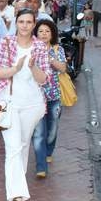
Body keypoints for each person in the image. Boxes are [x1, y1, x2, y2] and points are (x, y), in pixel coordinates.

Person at [0, 9, 49, 201]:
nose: (24, 25)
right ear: (16, 23)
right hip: (8, 101)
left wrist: (33, 67)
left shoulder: (40, 46)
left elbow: (44, 79)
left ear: (34, 25)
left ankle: (18, 183)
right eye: (21, 21)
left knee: (23, 144)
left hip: (32, 103)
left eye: (28, 22)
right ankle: (16, 193)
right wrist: (15, 69)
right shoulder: (6, 42)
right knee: (13, 146)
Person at [32, 20, 66, 177]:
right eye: (41, 31)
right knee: (39, 131)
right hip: (36, 97)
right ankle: (41, 165)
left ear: (52, 34)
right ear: (36, 33)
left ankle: (48, 150)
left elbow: (63, 68)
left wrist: (49, 57)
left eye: (47, 31)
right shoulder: (31, 50)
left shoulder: (57, 49)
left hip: (54, 96)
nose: (44, 34)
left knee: (52, 129)